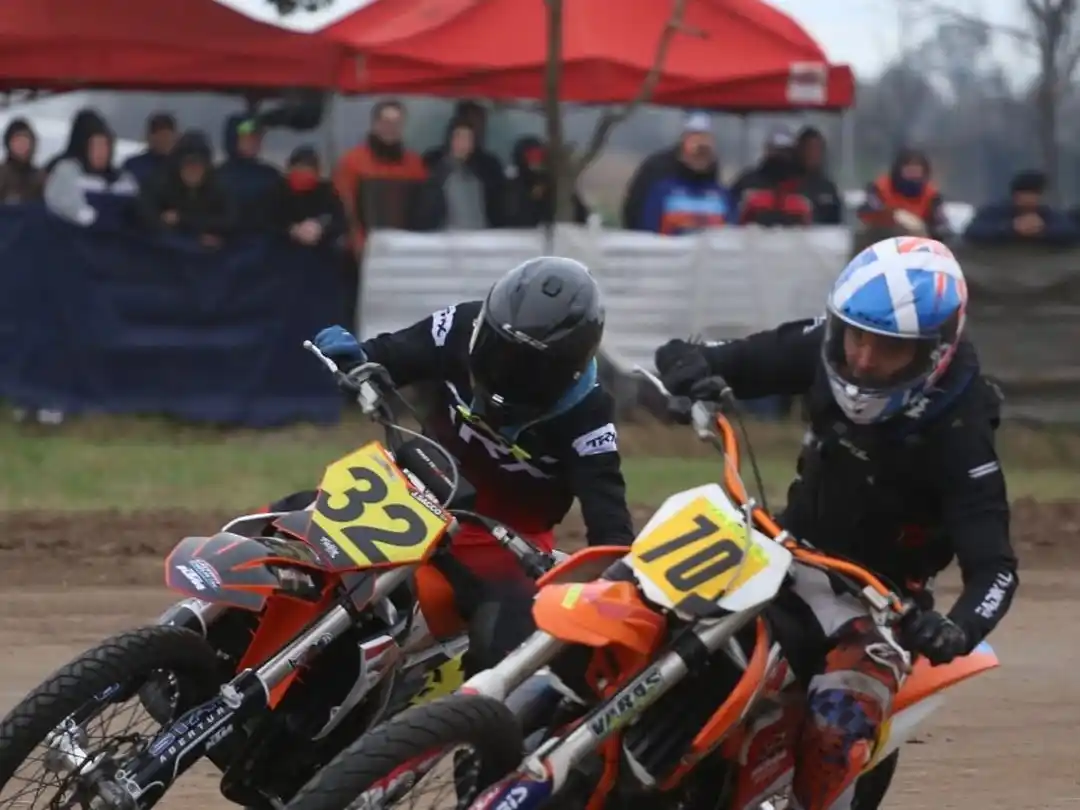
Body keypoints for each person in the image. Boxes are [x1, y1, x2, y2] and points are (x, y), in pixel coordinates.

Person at [654, 236, 1018, 810]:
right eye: (856, 336)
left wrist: (956, 630)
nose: (864, 360)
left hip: (876, 601)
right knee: (651, 604)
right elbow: (720, 359)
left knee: (836, 721)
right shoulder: (825, 347)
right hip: (778, 548)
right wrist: (684, 365)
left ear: (934, 352)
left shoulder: (962, 430)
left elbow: (995, 568)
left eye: (887, 349)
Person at [283, 257, 635, 667]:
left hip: (500, 542)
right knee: (287, 519)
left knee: (508, 642)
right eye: (500, 351)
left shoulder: (589, 413)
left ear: (572, 370)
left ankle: (455, 723)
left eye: (532, 368)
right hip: (404, 492)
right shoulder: (459, 326)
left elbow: (609, 523)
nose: (508, 372)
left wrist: (616, 581)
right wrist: (351, 356)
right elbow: (386, 356)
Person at [964, 169, 1080, 246]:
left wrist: (1042, 230)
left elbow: (1069, 232)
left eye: (1035, 195)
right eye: (1026, 194)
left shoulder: (1048, 214)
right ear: (1015, 195)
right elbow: (974, 232)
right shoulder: (995, 211)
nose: (1030, 200)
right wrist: (1011, 228)